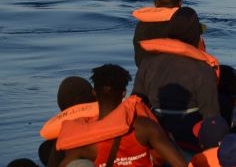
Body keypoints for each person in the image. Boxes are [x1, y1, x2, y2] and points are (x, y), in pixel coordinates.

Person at [54, 64, 185, 167]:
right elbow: (180, 164)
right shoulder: (145, 127)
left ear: (94, 93)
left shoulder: (84, 139)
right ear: (123, 93)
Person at [132, 7, 220, 152]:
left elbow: (137, 102)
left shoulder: (148, 62)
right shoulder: (203, 69)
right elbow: (211, 115)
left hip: (156, 133)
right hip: (189, 137)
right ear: (195, 35)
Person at [133, 0, 186, 65]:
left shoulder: (141, 25)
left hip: (147, 75)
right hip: (178, 74)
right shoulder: (187, 24)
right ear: (180, 3)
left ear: (155, 3)